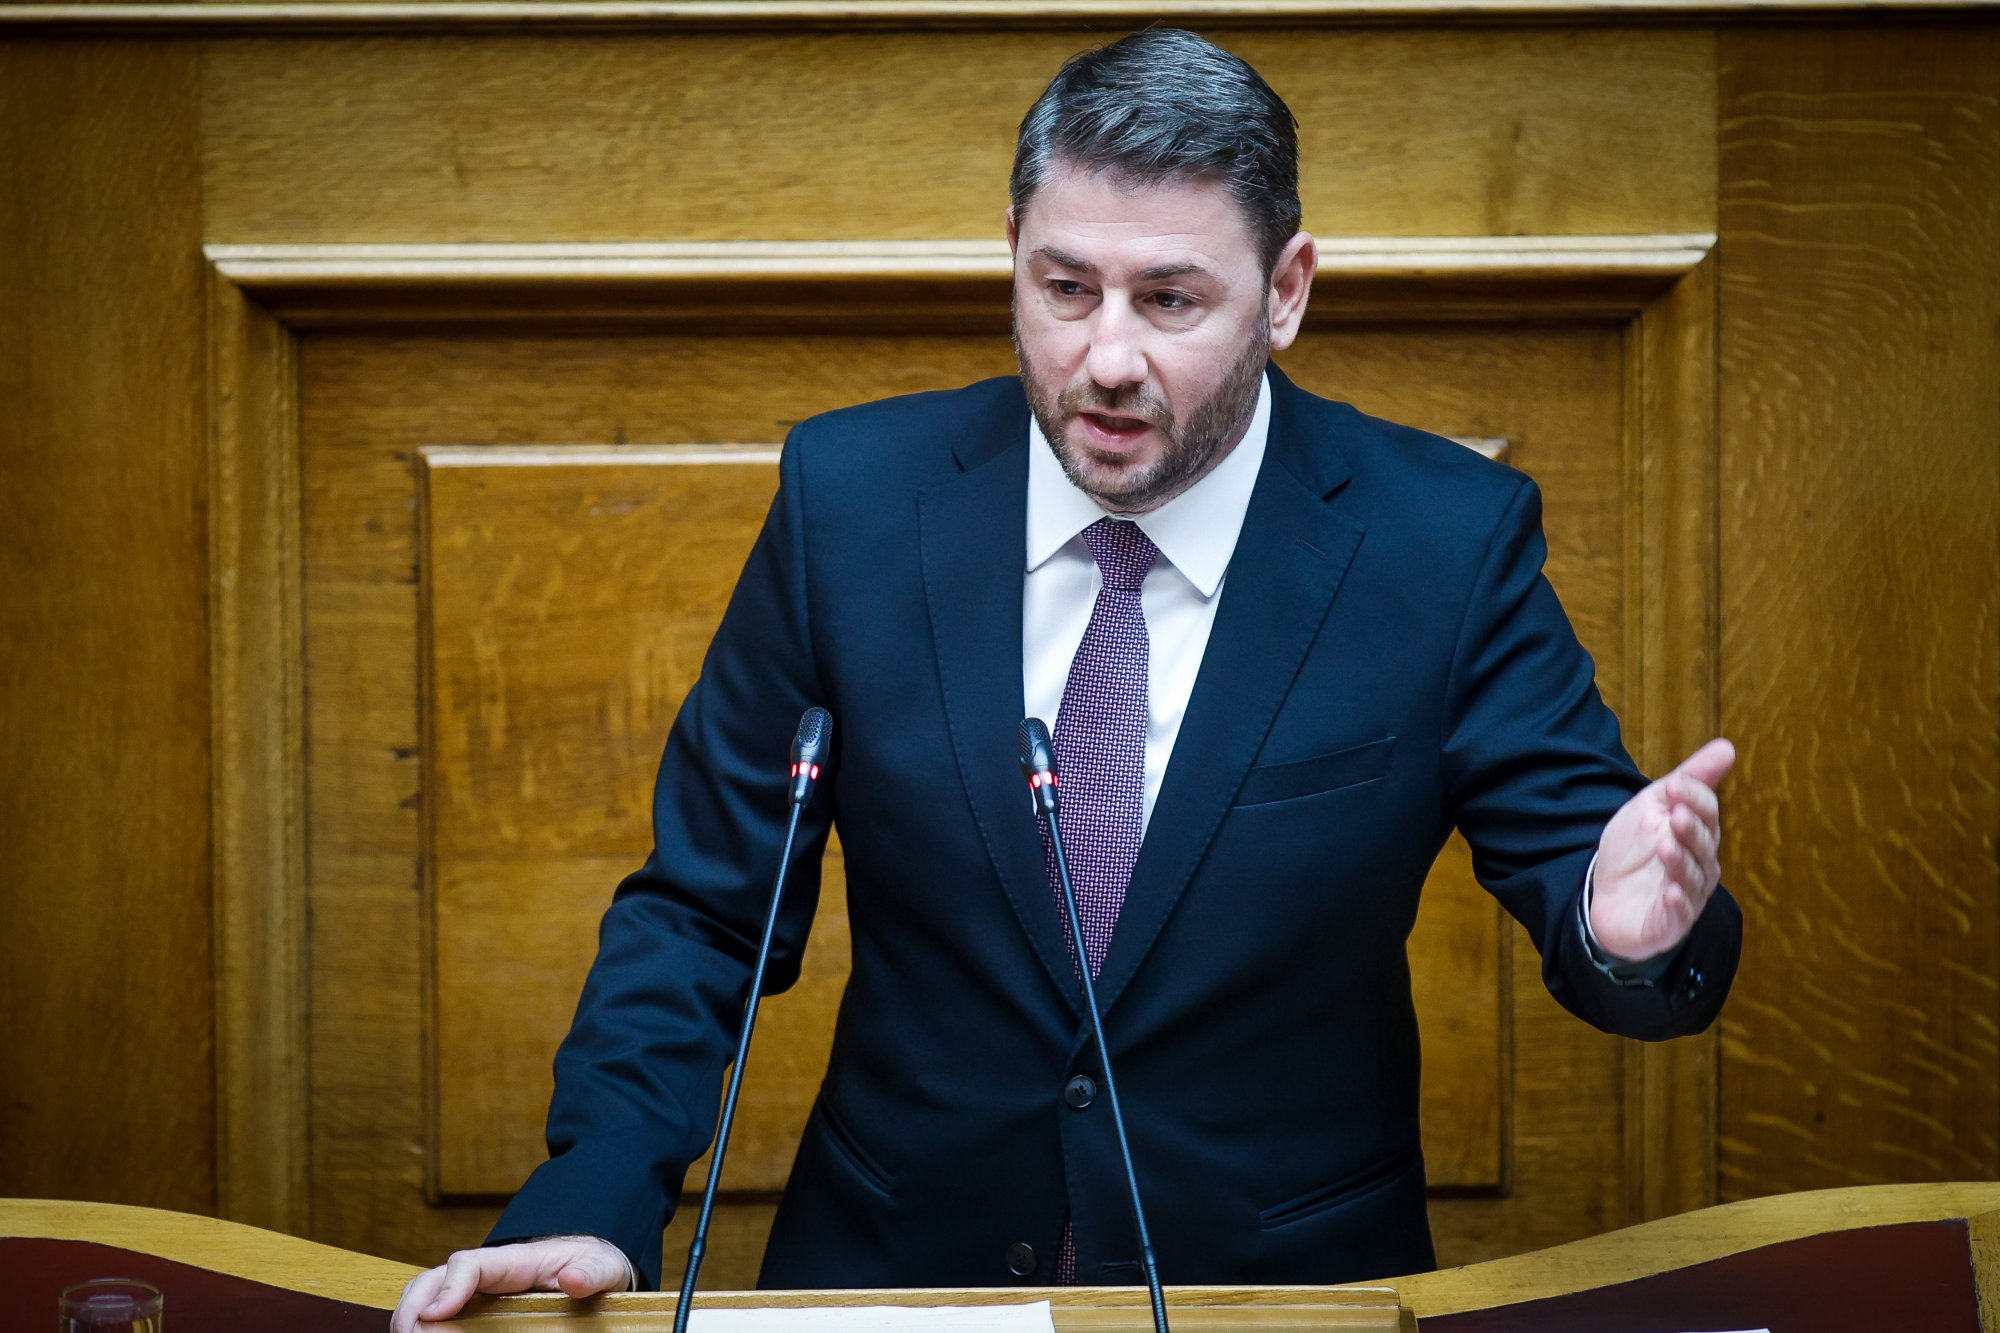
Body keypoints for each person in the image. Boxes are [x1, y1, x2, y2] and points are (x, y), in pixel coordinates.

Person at [391, 27, 1740, 1330]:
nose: (1107, 359)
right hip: (903, 1281)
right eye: (1066, 288)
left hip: (1273, 1296)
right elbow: (704, 911)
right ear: (1014, 261)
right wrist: (598, 1197)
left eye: (1170, 299)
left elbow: (1588, 866)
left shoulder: (1442, 543)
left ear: (1286, 291)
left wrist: (1621, 926)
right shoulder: (853, 505)